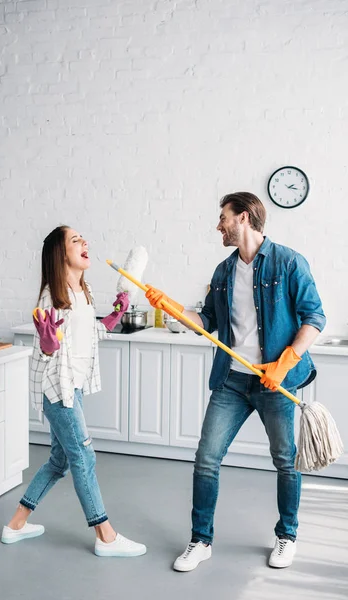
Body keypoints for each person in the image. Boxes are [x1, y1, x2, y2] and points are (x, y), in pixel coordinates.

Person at [145, 192, 326, 571]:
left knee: (285, 461)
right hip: (232, 380)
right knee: (206, 459)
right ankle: (200, 540)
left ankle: (287, 536)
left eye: (223, 218)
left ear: (243, 218)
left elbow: (314, 318)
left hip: (274, 381)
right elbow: (207, 322)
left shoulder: (288, 262)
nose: (218, 226)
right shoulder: (223, 271)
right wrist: (171, 308)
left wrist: (285, 362)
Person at [1, 225, 146, 558]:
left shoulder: (84, 291)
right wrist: (49, 342)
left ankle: (16, 524)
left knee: (59, 460)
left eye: (84, 238)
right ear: (60, 253)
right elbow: (49, 345)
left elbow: (93, 331)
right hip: (58, 389)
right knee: (84, 457)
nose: (86, 243)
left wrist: (118, 312)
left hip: (73, 387)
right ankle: (105, 536)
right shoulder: (52, 297)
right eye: (76, 240)